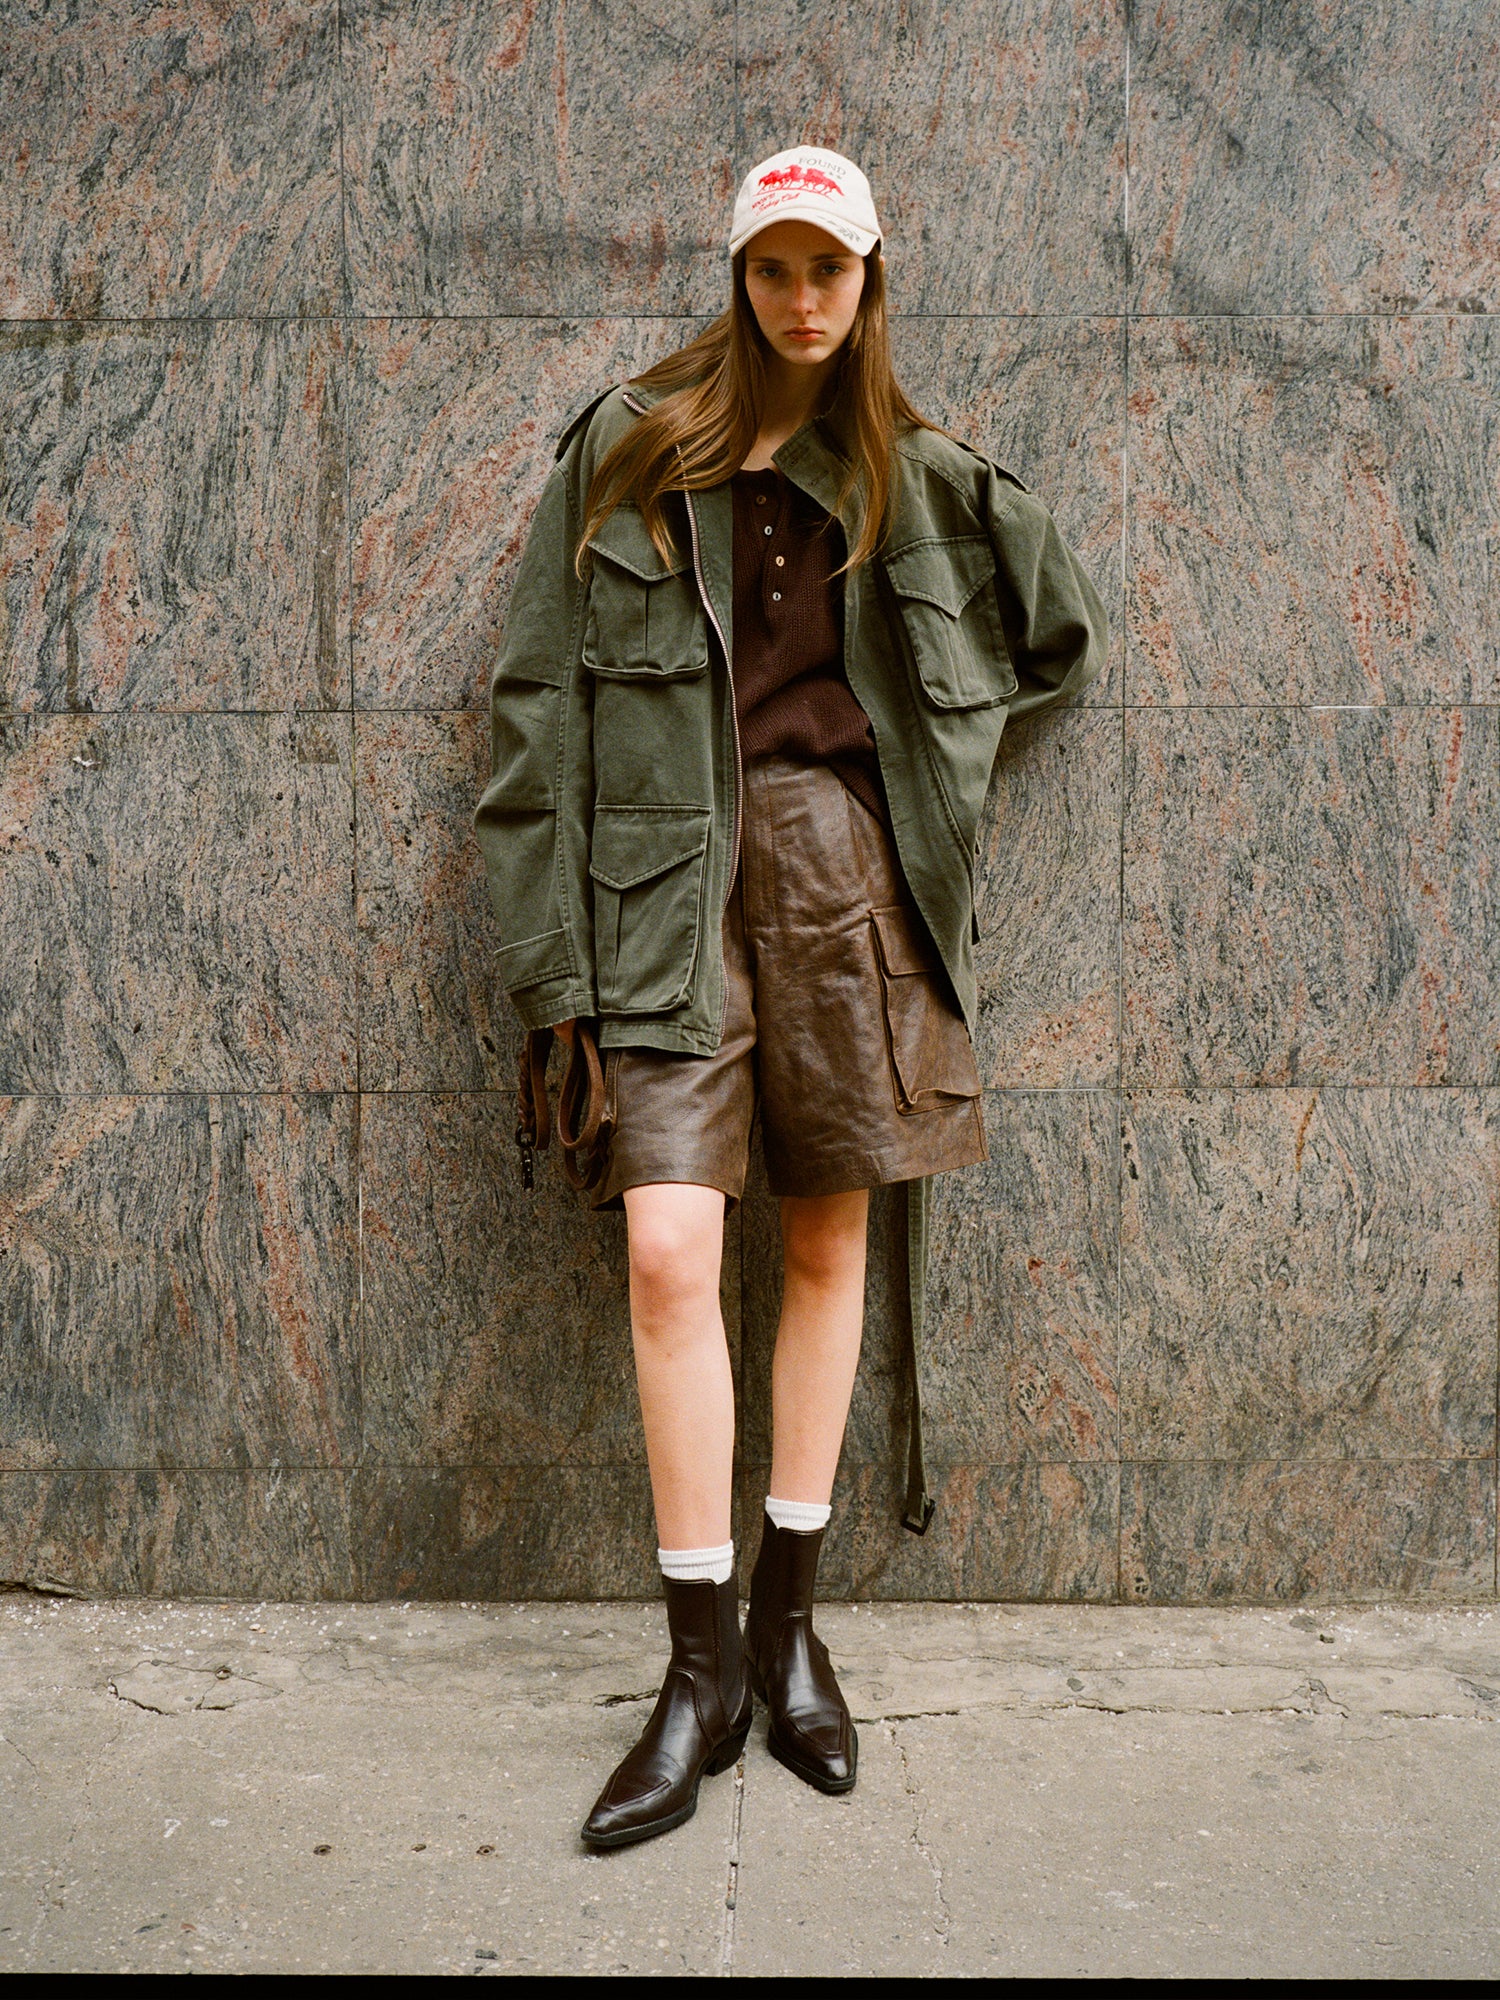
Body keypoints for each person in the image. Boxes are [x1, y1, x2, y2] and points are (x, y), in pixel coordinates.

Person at [474, 145, 1108, 1849]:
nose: (804, 298)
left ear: (872, 278)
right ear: (738, 277)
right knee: (672, 1240)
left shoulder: (913, 468)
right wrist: (552, 979)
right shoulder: (629, 448)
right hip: (659, 889)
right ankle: (696, 1676)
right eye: (776, 269)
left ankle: (791, 1629)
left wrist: (937, 763)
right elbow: (532, 711)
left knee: (826, 1241)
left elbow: (1061, 629)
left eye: (832, 270)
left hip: (848, 885)